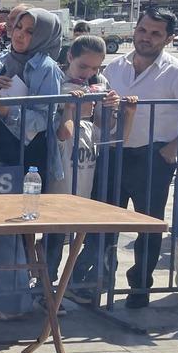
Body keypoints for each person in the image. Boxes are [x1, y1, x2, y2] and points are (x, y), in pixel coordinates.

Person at [73, 8, 178, 308]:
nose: (146, 38)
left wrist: (172, 148)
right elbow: (101, 110)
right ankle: (97, 283)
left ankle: (140, 287)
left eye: (155, 33)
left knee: (148, 227)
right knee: (103, 223)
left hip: (153, 157)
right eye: (142, 30)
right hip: (113, 153)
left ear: (168, 38)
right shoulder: (115, 67)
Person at [0, 8, 64, 322]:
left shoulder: (47, 68)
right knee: (2, 230)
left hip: (29, 159)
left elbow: (45, 117)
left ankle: (13, 301)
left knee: (12, 228)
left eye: (30, 31)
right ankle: (8, 293)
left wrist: (6, 110)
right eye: (18, 27)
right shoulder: (1, 59)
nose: (20, 35)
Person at [52, 35, 133, 302]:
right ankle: (45, 287)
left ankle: (70, 285)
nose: (88, 74)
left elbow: (107, 129)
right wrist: (72, 107)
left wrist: (111, 107)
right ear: (69, 58)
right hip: (59, 175)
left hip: (87, 172)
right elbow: (62, 130)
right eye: (83, 66)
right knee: (54, 238)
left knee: (84, 235)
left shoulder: (100, 83)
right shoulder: (56, 81)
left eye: (95, 68)